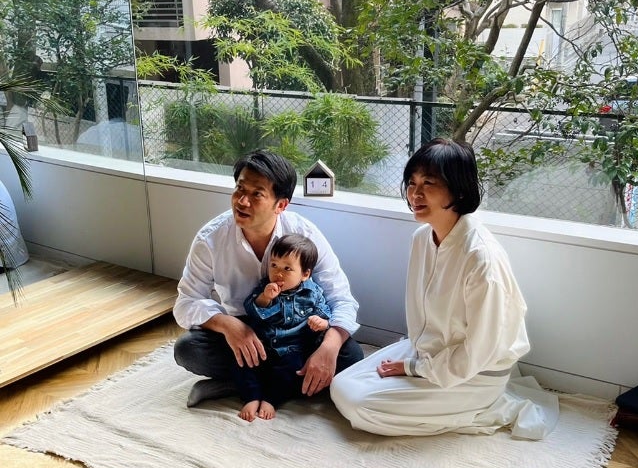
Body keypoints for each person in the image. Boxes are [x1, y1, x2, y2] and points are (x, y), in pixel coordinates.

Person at [330, 138, 559, 439]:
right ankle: (431, 395)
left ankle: (485, 406)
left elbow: (479, 351)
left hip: (473, 373)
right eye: (412, 183)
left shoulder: (481, 259)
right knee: (341, 385)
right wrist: (415, 361)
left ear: (459, 190)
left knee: (362, 407)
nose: (416, 193)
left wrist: (413, 368)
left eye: (429, 183)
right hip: (426, 352)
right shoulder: (422, 239)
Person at [173, 150, 364, 407]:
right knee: (188, 350)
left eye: (256, 194)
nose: (242, 201)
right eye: (240, 189)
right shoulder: (211, 239)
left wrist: (329, 348)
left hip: (297, 332)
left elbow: (341, 298)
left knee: (350, 356)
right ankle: (280, 385)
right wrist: (227, 325)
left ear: (281, 205)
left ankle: (240, 385)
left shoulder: (304, 234)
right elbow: (186, 302)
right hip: (246, 330)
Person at [235, 233, 331, 421]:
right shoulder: (265, 287)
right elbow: (251, 309)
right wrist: (265, 298)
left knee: (291, 370)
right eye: (274, 265)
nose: (278, 273)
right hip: (262, 344)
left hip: (292, 349)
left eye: (287, 268)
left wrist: (322, 322)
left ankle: (271, 399)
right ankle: (252, 397)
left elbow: (325, 312)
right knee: (244, 362)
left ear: (305, 274)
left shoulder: (312, 293)